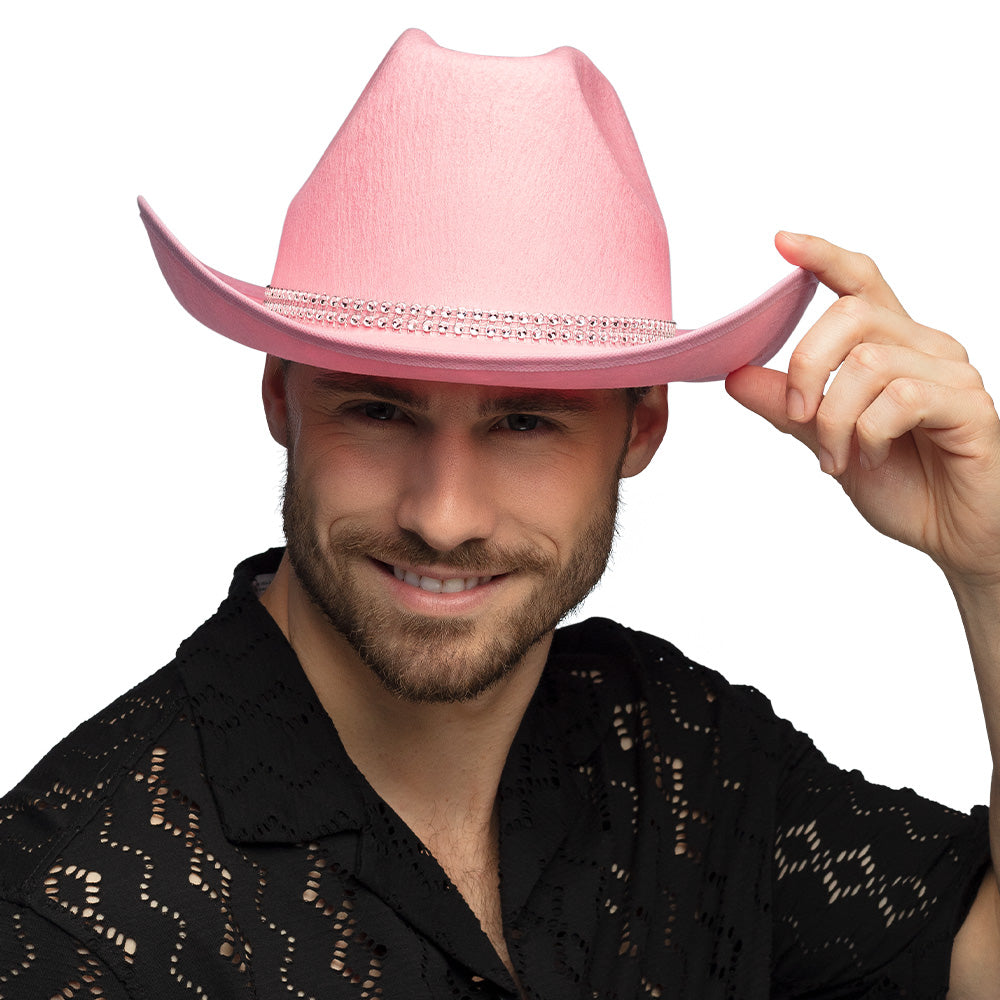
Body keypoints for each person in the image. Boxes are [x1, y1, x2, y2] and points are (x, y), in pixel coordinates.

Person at [1, 27, 997, 998]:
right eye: (378, 410)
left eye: (524, 422)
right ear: (278, 398)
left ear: (643, 427)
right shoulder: (69, 923)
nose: (443, 518)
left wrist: (990, 567)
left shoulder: (675, 750)